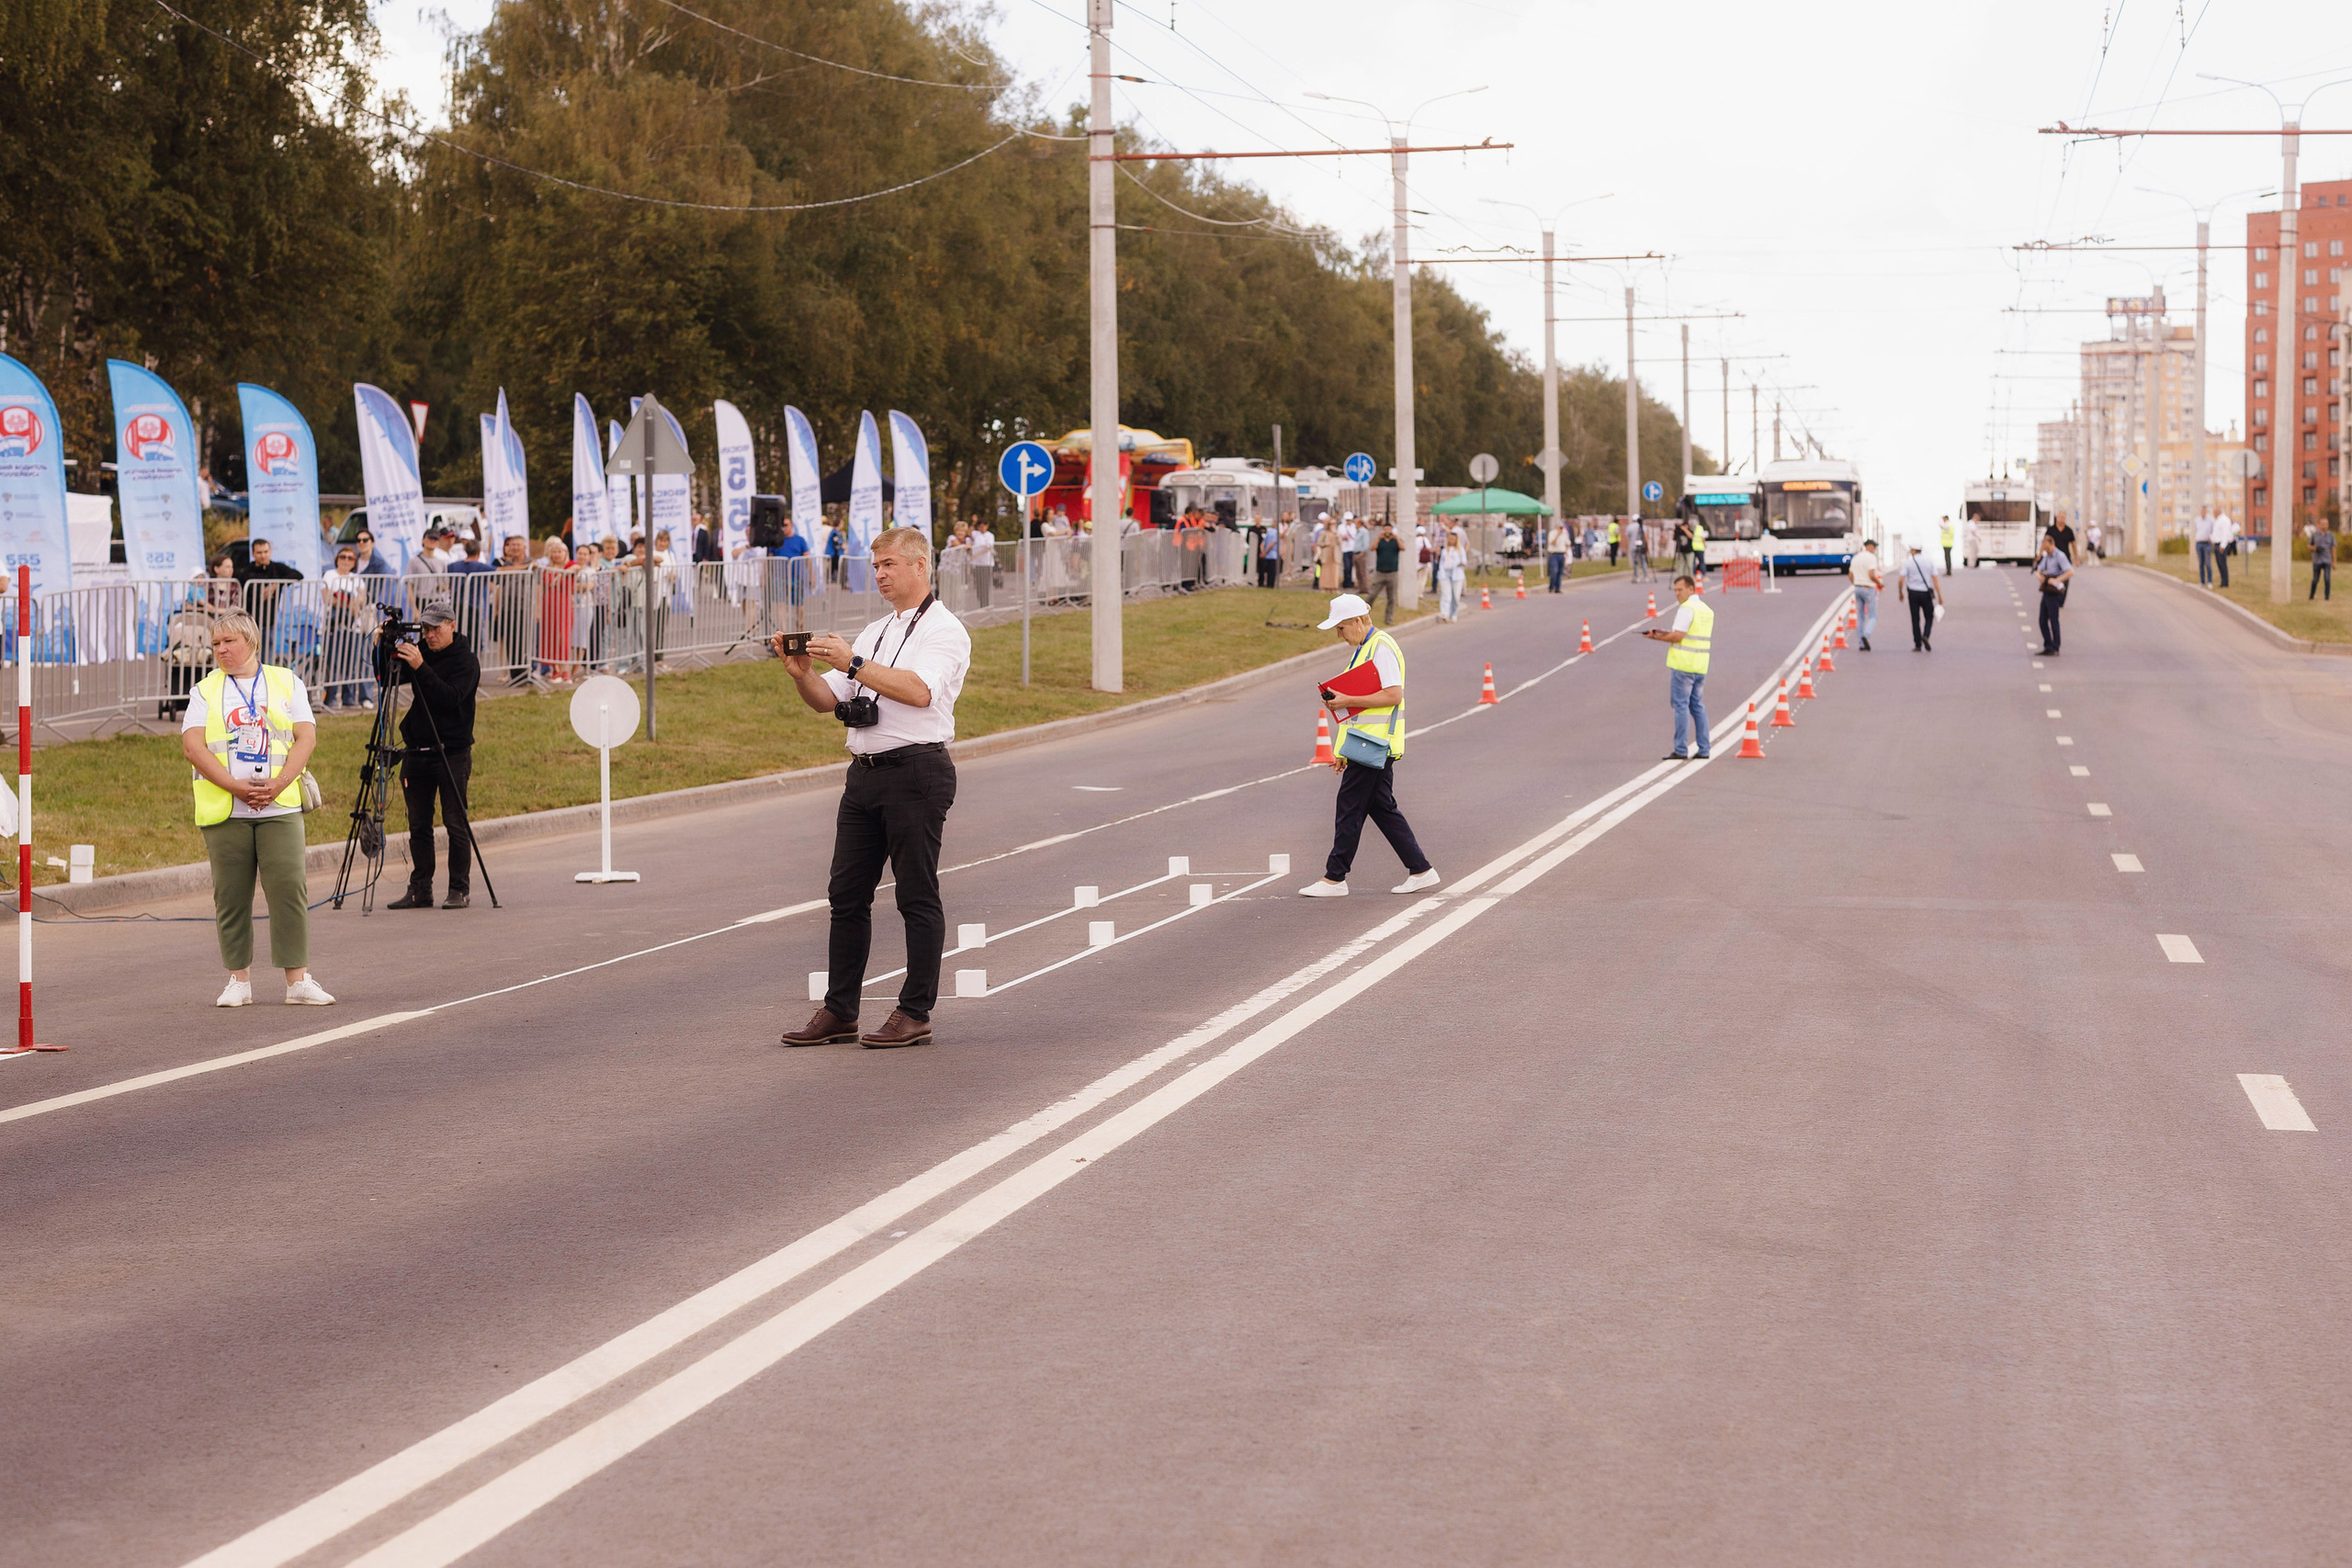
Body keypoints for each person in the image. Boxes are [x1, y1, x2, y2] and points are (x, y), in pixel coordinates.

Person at [775, 525, 971, 1051]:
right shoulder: (876, 629)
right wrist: (801, 673)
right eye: (876, 566)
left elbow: (919, 690)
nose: (880, 574)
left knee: (915, 894)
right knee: (846, 895)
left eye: (889, 564)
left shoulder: (944, 631)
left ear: (919, 567)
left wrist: (854, 662)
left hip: (916, 771)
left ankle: (915, 1011)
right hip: (864, 773)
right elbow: (828, 700)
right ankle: (841, 1010)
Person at [179, 611, 334, 1007]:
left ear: (251, 640)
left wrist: (280, 783)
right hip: (226, 809)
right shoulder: (204, 690)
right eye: (216, 644)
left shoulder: (286, 681)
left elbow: (306, 737)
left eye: (229, 641)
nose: (221, 650)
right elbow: (193, 747)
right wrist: (235, 787)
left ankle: (297, 980)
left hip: (279, 805)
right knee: (230, 896)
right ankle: (238, 980)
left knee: (288, 889)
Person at [1298, 592, 1437, 898]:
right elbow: (1360, 712)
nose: (1339, 634)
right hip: (1367, 744)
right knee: (1382, 808)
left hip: (1375, 744)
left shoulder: (1381, 648)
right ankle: (1421, 869)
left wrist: (1346, 700)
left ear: (1359, 622)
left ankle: (1335, 878)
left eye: (1342, 627)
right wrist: (1342, 750)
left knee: (1349, 808)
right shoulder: (1365, 648)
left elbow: (1393, 695)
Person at [377, 604, 481, 909]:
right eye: (425, 629)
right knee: (418, 824)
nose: (430, 635)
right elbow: (387, 679)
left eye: (436, 629)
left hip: (452, 751)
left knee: (454, 822)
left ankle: (459, 889)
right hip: (417, 750)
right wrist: (382, 648)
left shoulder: (466, 660)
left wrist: (422, 667)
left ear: (452, 625)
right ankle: (420, 889)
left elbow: (450, 698)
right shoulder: (421, 650)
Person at [1642, 574, 1713, 760]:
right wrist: (1664, 632)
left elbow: (1678, 636)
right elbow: (1691, 635)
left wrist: (1656, 637)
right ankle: (1704, 748)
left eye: (1680, 590)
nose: (1677, 594)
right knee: (1697, 706)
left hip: (1683, 665)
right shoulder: (1706, 610)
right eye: (1675, 590)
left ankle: (1681, 749)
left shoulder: (1687, 608)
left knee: (1681, 706)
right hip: (1700, 665)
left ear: (1691, 589)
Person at [319, 547, 370, 707]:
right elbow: (327, 598)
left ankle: (348, 698)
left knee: (350, 663)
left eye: (350, 558)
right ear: (337, 559)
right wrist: (350, 602)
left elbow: (361, 600)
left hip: (353, 626)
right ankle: (332, 698)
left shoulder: (357, 578)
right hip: (333, 626)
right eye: (343, 557)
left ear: (354, 562)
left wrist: (343, 600)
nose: (346, 560)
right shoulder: (329, 575)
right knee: (333, 662)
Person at [2034, 531, 2074, 655]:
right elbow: (2038, 570)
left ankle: (2055, 647)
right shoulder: (2047, 557)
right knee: (2042, 620)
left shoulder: (2059, 556)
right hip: (2046, 590)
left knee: (2053, 620)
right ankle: (2048, 645)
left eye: (2046, 547)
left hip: (2054, 591)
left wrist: (2056, 580)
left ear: (2052, 544)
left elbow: (2070, 572)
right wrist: (2039, 576)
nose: (2046, 550)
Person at [1900, 543, 1943, 650]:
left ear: (1914, 551)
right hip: (1925, 593)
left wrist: (1900, 593)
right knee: (1929, 616)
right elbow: (1935, 580)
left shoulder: (1908, 563)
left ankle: (1917, 644)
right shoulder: (1929, 562)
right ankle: (1926, 635)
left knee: (1915, 619)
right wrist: (1940, 596)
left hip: (1913, 593)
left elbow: (1901, 579)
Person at [1850, 536, 1883, 651]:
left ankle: (1861, 643)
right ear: (1870, 546)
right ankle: (1866, 634)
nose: (1875, 549)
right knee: (1873, 616)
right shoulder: (1871, 558)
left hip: (1857, 588)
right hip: (1868, 588)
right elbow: (1871, 574)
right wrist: (1879, 583)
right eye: (1874, 547)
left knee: (1860, 617)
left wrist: (1856, 583)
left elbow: (1850, 574)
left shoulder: (1856, 557)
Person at [1366, 523, 1402, 626]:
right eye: (1385, 529)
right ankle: (1364, 616)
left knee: (1391, 598)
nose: (1387, 532)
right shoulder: (1380, 540)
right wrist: (1378, 538)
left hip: (1392, 572)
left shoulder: (1395, 541)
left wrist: (1396, 538)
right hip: (1380, 572)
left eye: (1389, 530)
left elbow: (1403, 547)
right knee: (1371, 595)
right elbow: (1372, 548)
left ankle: (1389, 619)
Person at [1435, 527, 1467, 621]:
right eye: (1450, 538)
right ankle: (1444, 613)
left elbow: (1464, 562)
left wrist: (1461, 564)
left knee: (1456, 596)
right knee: (1446, 594)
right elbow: (1441, 562)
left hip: (1457, 574)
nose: (1451, 540)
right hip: (1445, 573)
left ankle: (1454, 613)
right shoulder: (1445, 550)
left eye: (1453, 539)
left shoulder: (1460, 550)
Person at [2312, 516, 2336, 601]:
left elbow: (2333, 549)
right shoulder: (2315, 535)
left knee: (2327, 579)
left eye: (2325, 524)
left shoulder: (2331, 536)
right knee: (2315, 580)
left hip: (2327, 560)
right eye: (2322, 524)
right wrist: (2314, 548)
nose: (2324, 526)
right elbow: (2309, 545)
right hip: (2317, 560)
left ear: (2328, 525)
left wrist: (2334, 562)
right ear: (2319, 525)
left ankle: (2327, 598)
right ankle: (2311, 596)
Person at [2211, 510, 2236, 589]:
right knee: (2219, 564)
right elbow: (2217, 533)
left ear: (2218, 512)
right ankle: (2223, 581)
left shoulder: (2224, 520)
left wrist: (2223, 545)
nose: (2213, 513)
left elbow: (2225, 533)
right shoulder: (2218, 520)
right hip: (2217, 544)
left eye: (2214, 512)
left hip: (2222, 545)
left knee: (2222, 564)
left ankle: (2225, 582)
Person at [1545, 518, 1569, 593]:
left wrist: (1566, 550)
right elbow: (1552, 542)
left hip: (1561, 554)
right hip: (1554, 554)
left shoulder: (1564, 534)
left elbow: (1568, 543)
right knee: (1554, 571)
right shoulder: (1552, 533)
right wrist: (1557, 535)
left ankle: (1557, 588)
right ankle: (1551, 586)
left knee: (1560, 572)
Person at [2194, 508, 2216, 586]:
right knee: (2201, 563)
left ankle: (2210, 581)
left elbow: (2214, 530)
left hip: (2207, 543)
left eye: (2204, 511)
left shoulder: (2211, 520)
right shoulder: (2196, 520)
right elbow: (2196, 531)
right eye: (2201, 511)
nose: (2203, 512)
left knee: (2208, 563)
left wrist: (2211, 537)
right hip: (2199, 543)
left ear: (2206, 511)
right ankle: (2202, 582)